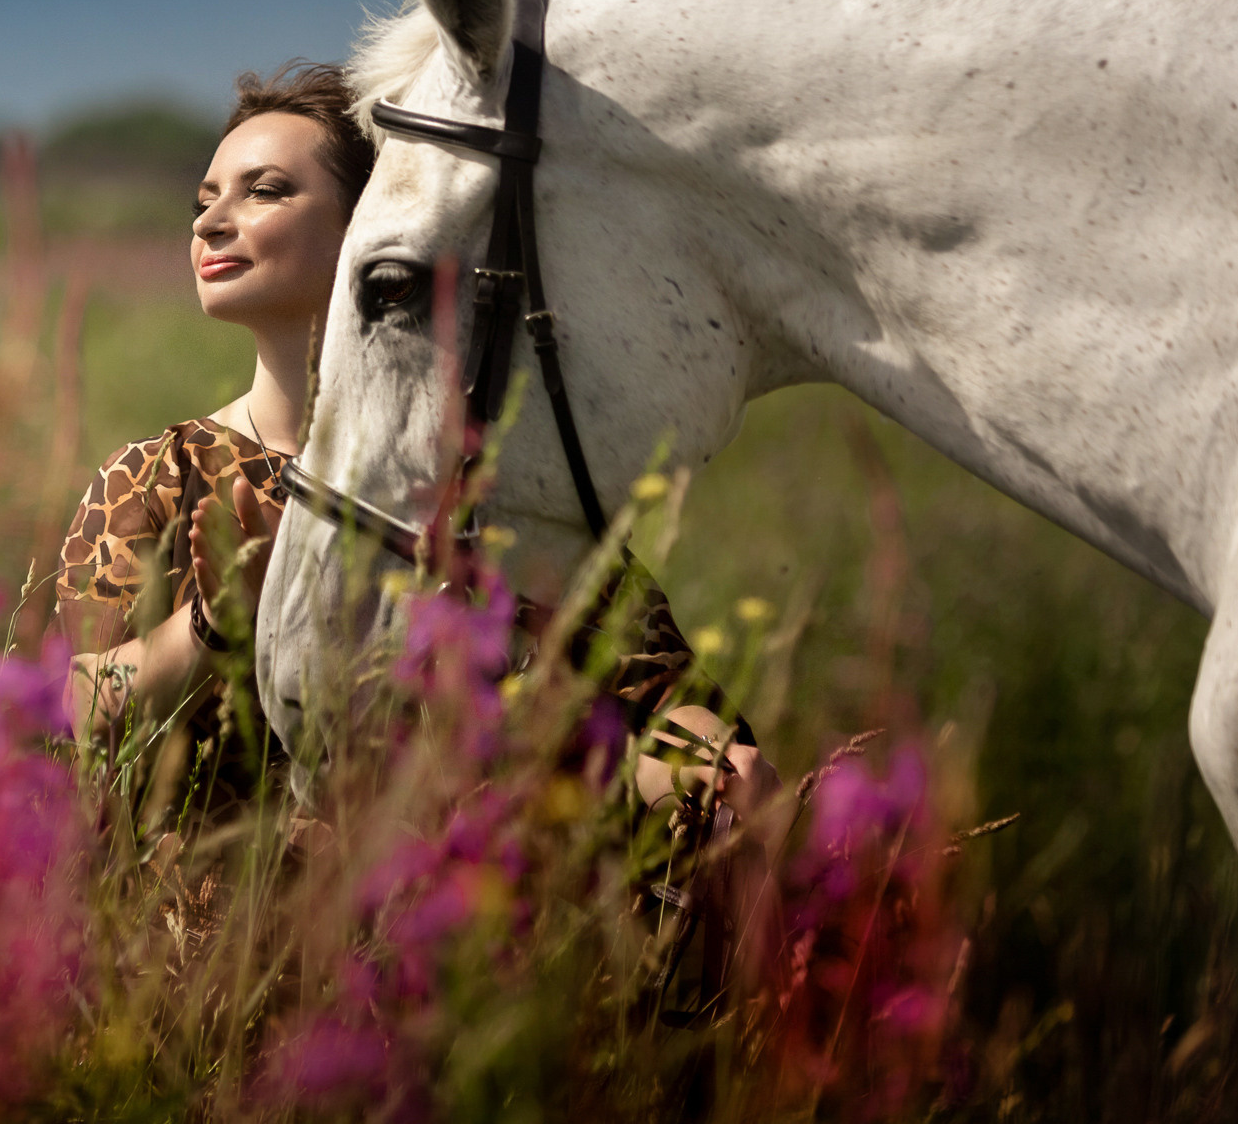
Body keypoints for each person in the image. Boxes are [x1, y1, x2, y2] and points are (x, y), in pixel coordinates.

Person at [57, 62, 776, 835]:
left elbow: (650, 691)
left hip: (459, 941)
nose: (208, 222)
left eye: (263, 191)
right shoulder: (165, 473)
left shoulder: (489, 489)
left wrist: (701, 765)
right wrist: (216, 623)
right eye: (204, 201)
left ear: (373, 221)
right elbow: (83, 710)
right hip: (206, 948)